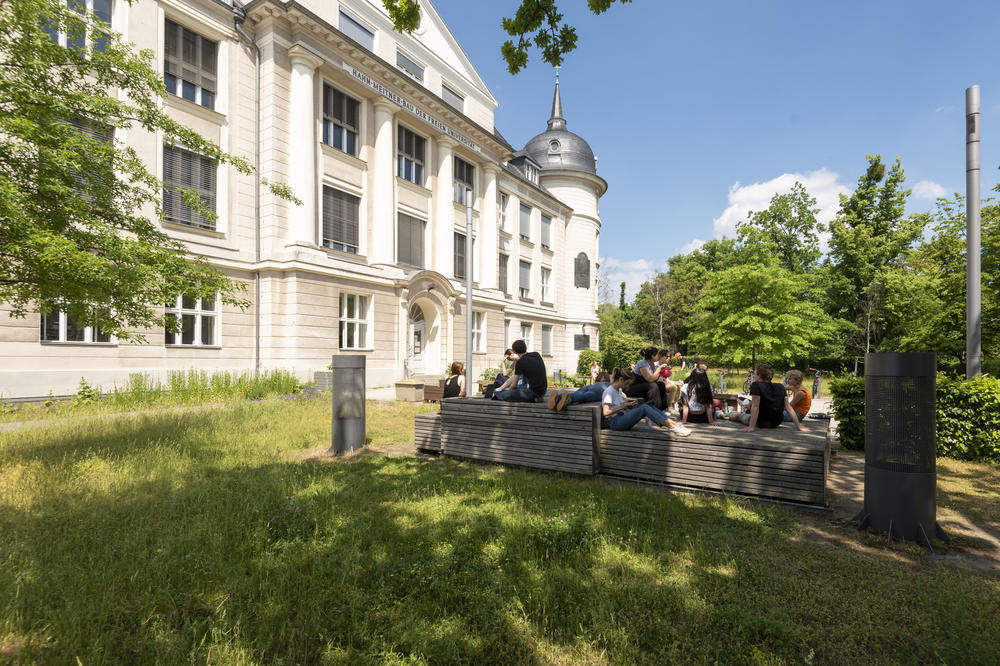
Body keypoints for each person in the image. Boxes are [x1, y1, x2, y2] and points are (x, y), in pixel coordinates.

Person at [603, 368, 691, 435]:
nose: (627, 386)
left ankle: (674, 424)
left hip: (621, 417)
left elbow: (618, 406)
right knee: (644, 407)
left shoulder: (618, 391)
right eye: (627, 383)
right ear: (621, 380)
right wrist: (622, 407)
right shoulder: (609, 392)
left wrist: (627, 405)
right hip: (615, 423)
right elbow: (606, 412)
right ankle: (672, 427)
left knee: (648, 405)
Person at [728, 364, 807, 431]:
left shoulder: (756, 385)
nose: (754, 376)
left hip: (761, 422)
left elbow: (755, 406)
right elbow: (789, 407)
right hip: (776, 422)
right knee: (745, 409)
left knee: (737, 416)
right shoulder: (780, 387)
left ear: (759, 375)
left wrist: (751, 427)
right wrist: (799, 426)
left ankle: (724, 414)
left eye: (755, 374)